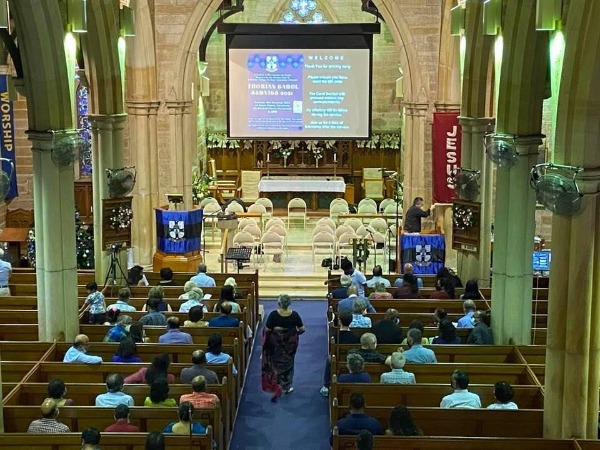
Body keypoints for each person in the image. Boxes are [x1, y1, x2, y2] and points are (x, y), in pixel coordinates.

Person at [262, 294, 305, 401]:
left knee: (275, 362)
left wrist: (277, 332)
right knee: (289, 362)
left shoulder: (273, 315)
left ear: (279, 303)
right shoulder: (294, 315)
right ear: (289, 303)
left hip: (276, 345)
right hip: (290, 346)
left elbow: (267, 330)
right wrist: (293, 334)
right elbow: (302, 329)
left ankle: (276, 383)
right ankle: (287, 386)